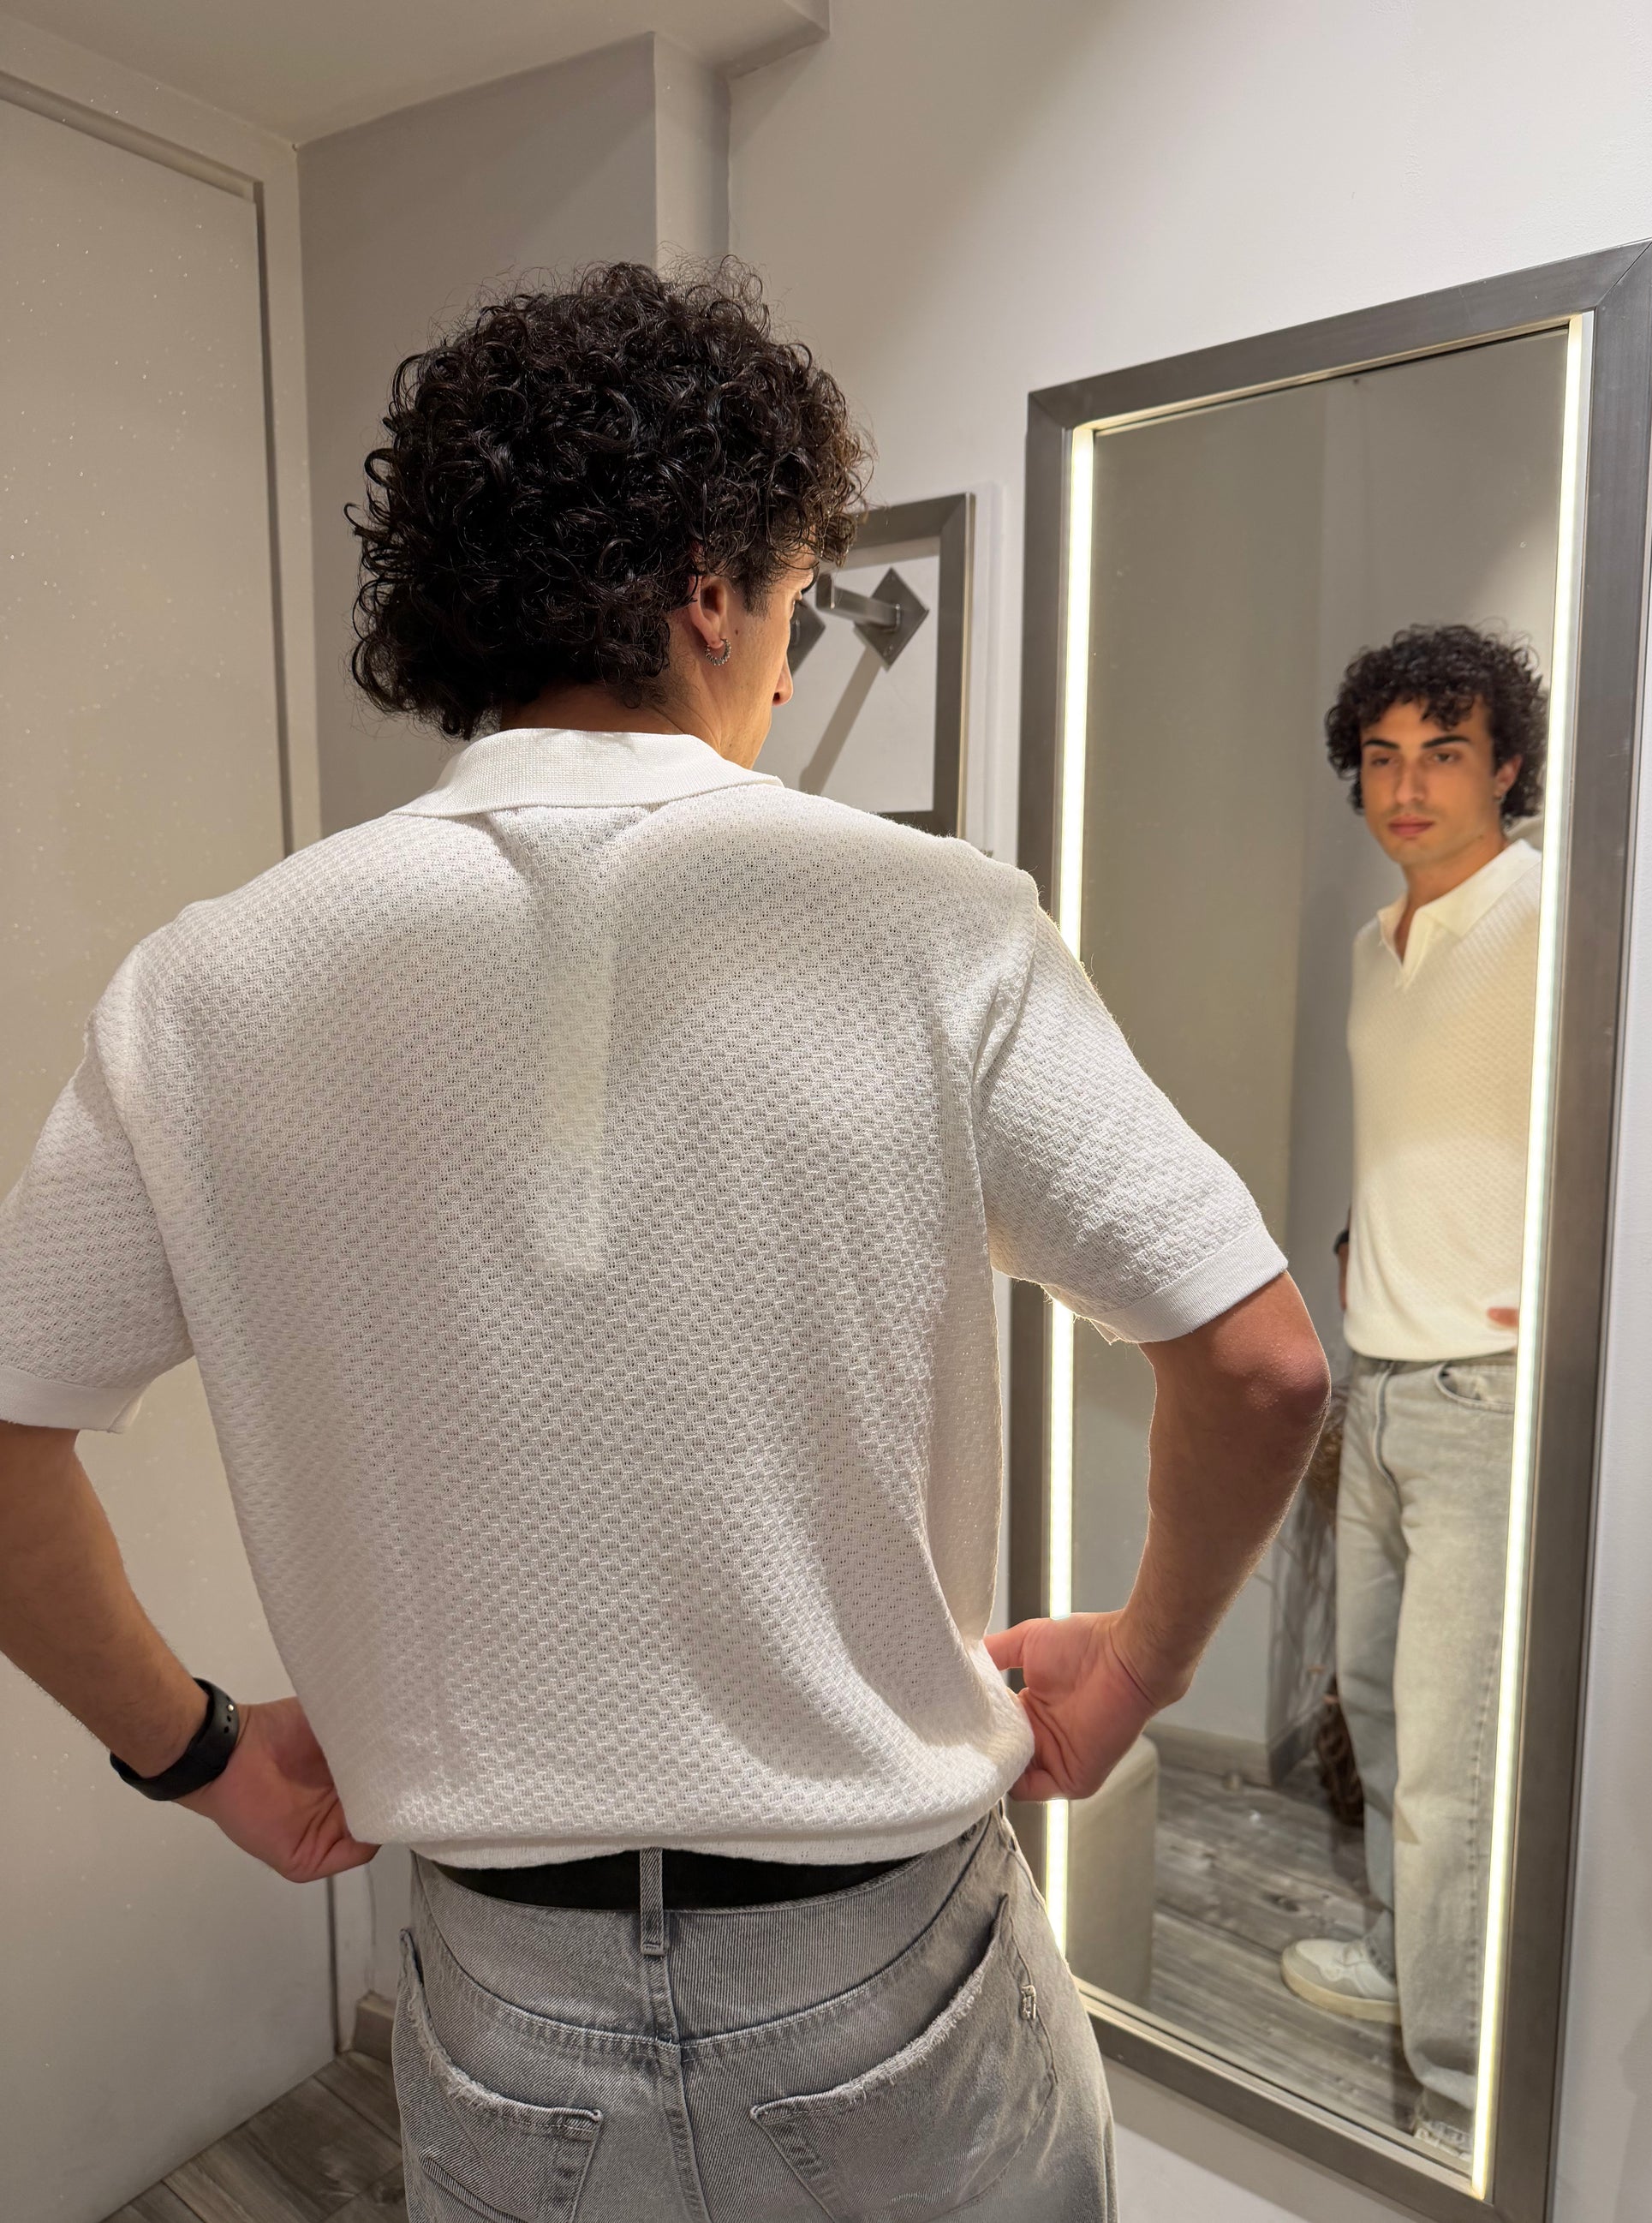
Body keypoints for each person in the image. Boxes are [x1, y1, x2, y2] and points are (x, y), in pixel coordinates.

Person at [0, 261, 1328, 2220]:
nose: (787, 669)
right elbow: (1264, 1360)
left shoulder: (212, 982)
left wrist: (194, 1750)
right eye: (793, 599)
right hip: (888, 1955)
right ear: (709, 584)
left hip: (502, 1992)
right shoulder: (935, 922)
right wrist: (1131, 1674)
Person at [1280, 624, 1546, 2166]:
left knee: (1452, 1758)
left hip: (1485, 1401)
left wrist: (1561, 1298)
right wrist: (1355, 1240)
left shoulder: (1547, 919)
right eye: (1381, 757)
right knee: (1374, 1706)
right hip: (1373, 1383)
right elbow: (1421, 1136)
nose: (1407, 786)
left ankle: (1455, 2093)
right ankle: (1402, 1958)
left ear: (1503, 766)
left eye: (1442, 753)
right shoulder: (1371, 946)